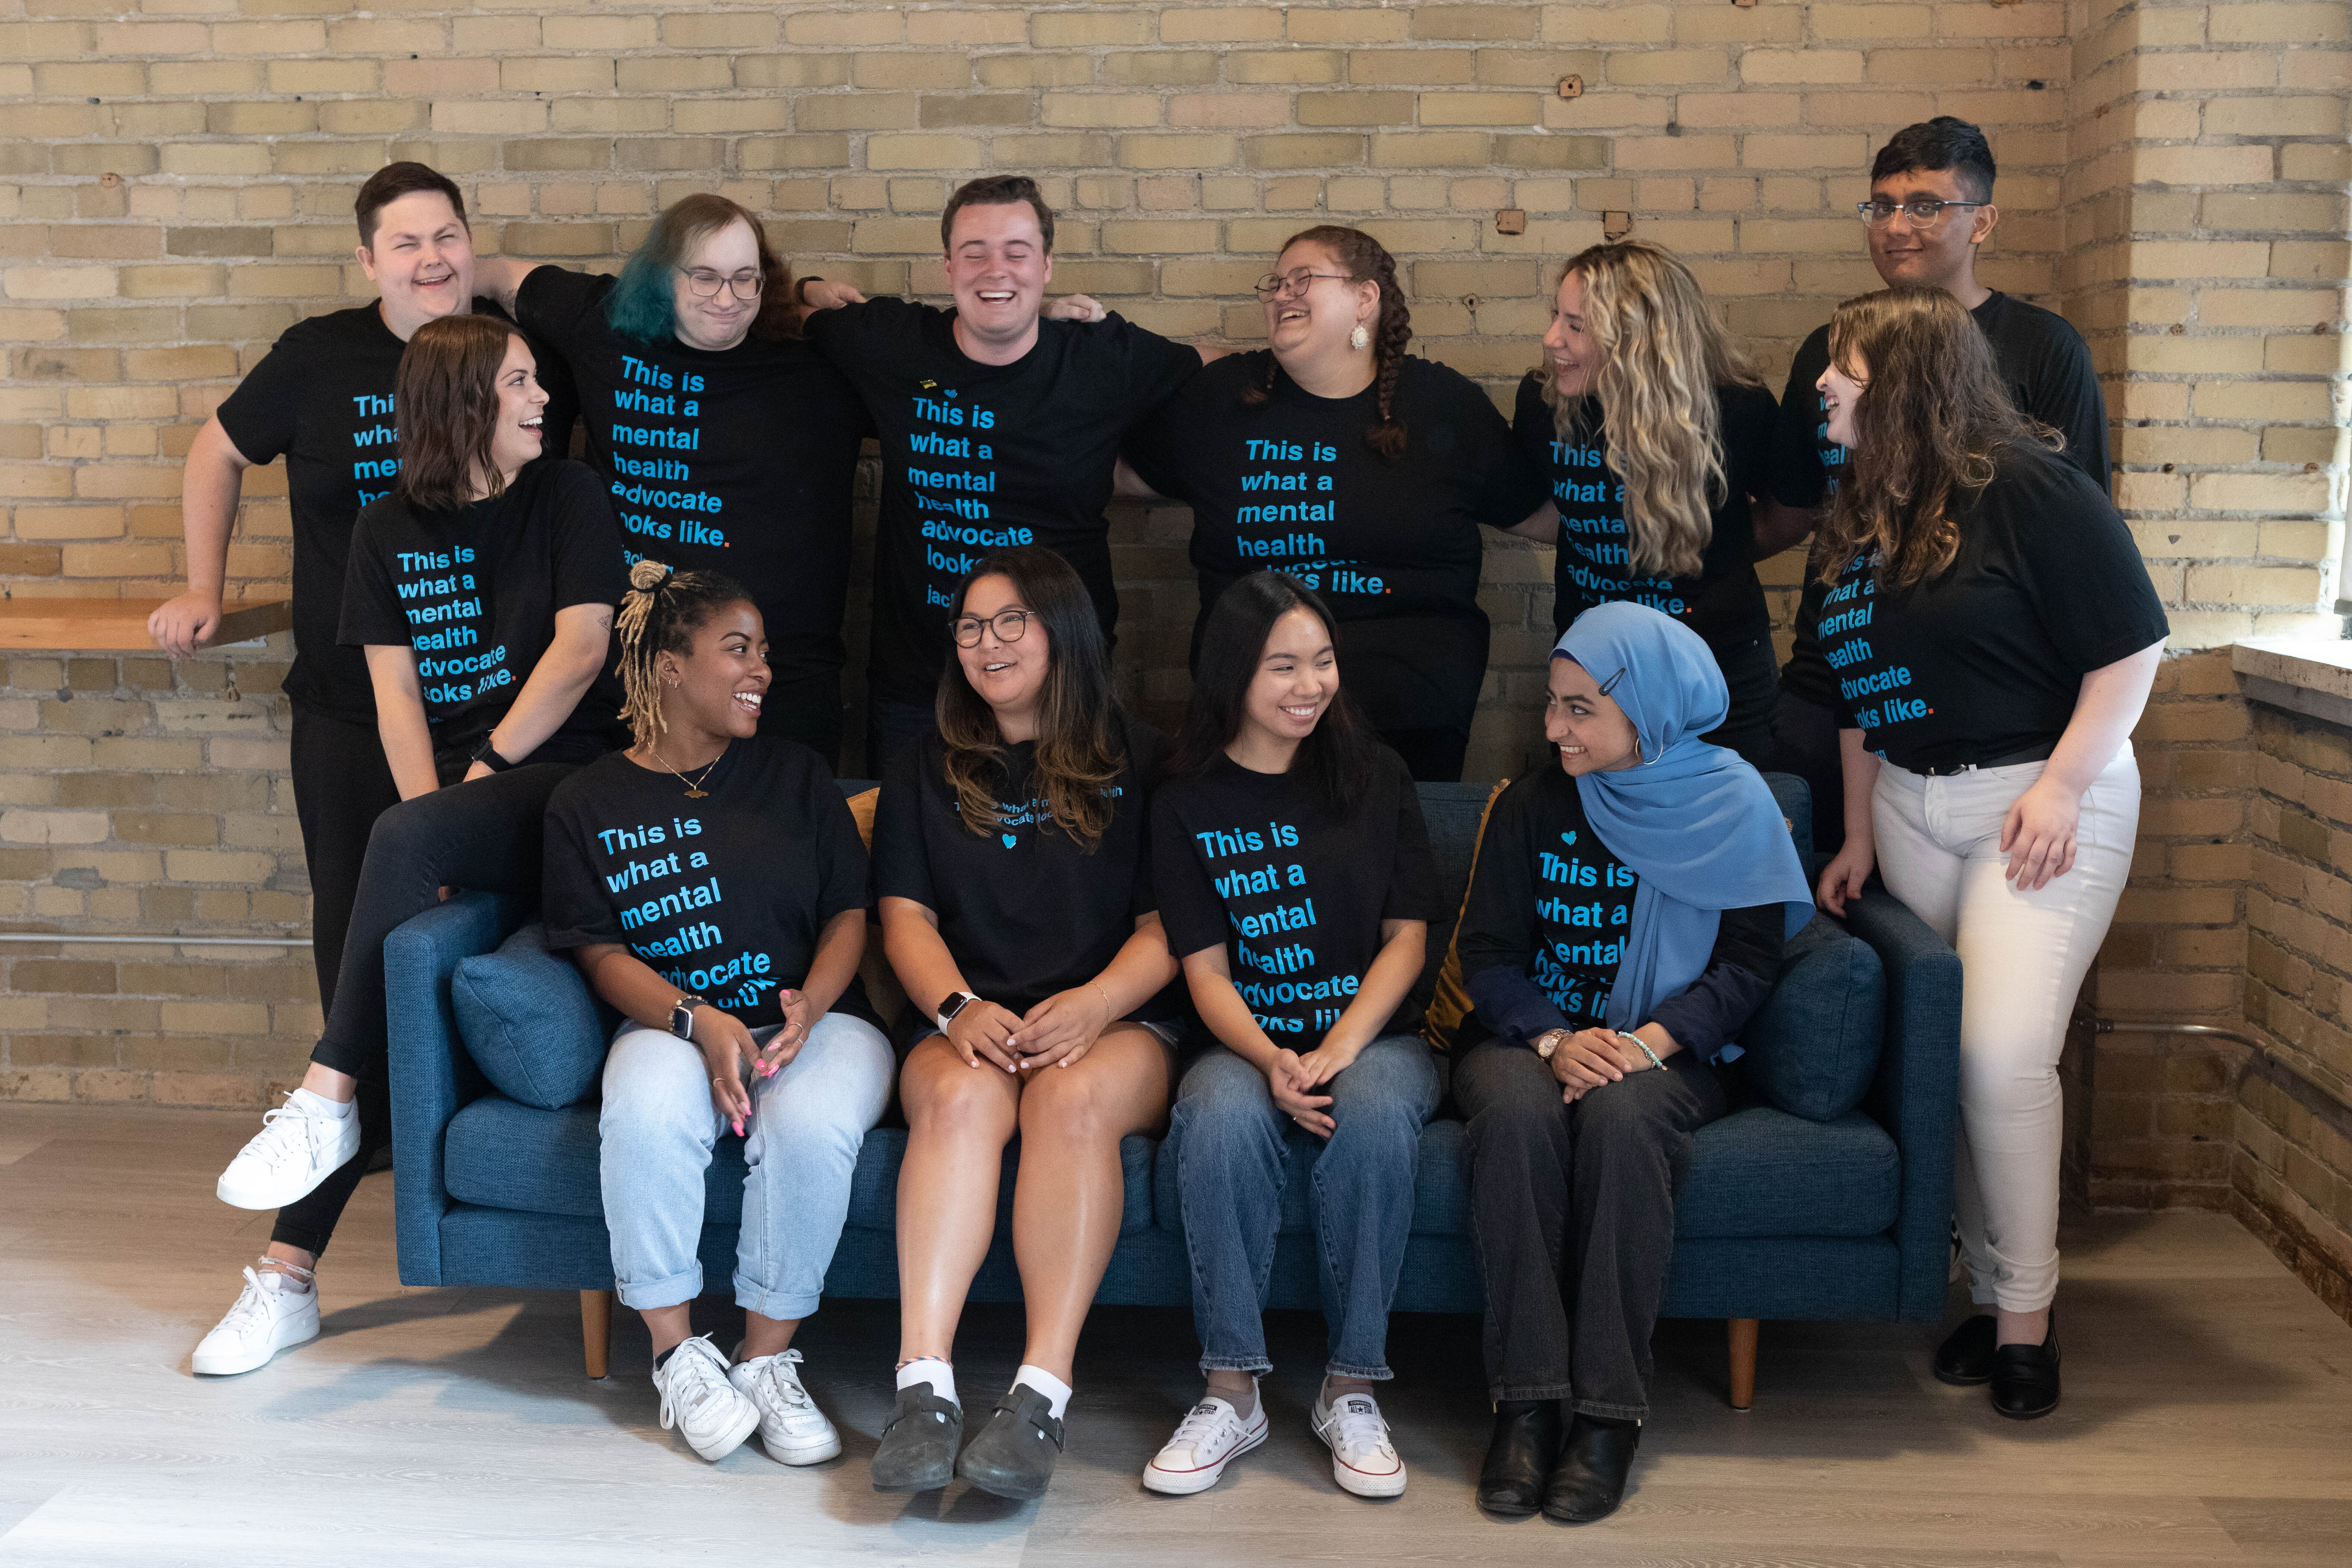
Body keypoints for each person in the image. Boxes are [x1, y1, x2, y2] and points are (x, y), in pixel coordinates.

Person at [152, 165, 580, 1364]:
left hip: (510, 733)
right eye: (406, 241)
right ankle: (292, 1263)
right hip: (360, 721)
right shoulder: (317, 359)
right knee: (362, 964)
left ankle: (326, 1186)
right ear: (368, 258)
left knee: (440, 974)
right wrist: (203, 587)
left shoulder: (520, 366)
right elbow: (216, 452)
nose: (431, 255)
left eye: (450, 236)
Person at [1810, 288, 2167, 1420]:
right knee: (1940, 1058)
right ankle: (1991, 1284)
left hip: (2039, 798)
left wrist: (2062, 785)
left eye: (1845, 370)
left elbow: (2132, 649)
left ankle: (2025, 1322)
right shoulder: (1864, 501)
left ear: (1906, 383)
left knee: (1999, 1057)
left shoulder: (2030, 487)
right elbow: (1858, 692)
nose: (1822, 386)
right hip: (1912, 806)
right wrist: (1862, 827)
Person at [1451, 602, 1813, 1523]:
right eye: (1552, 703)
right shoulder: (1532, 804)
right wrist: (1552, 1038)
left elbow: (1748, 965)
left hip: (1670, 1047)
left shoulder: (1735, 805)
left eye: (1579, 709)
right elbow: (1487, 954)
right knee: (1519, 1112)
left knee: (1622, 1117)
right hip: (1533, 1039)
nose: (1552, 727)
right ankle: (1527, 1405)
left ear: (1646, 710)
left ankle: (1607, 1416)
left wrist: (1647, 1043)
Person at [541, 562, 893, 1465]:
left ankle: (766, 1362)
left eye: (766, 652)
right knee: (648, 1111)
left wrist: (813, 1000)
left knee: (812, 1122)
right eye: (738, 649)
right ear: (667, 663)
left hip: (816, 1024)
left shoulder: (795, 773)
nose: (762, 670)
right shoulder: (587, 801)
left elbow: (849, 912)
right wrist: (698, 1020)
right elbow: (596, 949)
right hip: (671, 1021)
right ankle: (675, 1354)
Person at [867, 545, 1185, 1500]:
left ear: (1064, 632)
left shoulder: (1147, 756)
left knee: (1071, 1097)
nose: (987, 642)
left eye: (1012, 621)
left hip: (1115, 1022)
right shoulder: (925, 762)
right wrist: (959, 1007)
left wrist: (1093, 1004)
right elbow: (905, 919)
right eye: (970, 625)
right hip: (969, 1021)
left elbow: (1170, 928)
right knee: (961, 1104)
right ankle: (921, 1391)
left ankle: (1040, 1392)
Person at [1144, 571, 1440, 1501]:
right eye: (1283, 666)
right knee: (1221, 1116)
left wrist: (1343, 1044)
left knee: (1376, 1110)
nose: (1309, 684)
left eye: (1322, 661)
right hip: (1245, 1039)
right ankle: (1232, 1388)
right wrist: (1271, 1056)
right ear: (1233, 673)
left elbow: (1408, 938)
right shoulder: (1185, 798)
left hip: (1373, 1035)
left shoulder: (1375, 774)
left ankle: (1352, 1386)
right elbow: (1204, 970)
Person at [1766, 117, 2113, 849]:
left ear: (1982, 220)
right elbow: (1797, 511)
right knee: (1847, 925)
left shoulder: (2042, 350)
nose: (1896, 226)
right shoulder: (1826, 350)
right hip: (1840, 687)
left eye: (1925, 204)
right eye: (1881, 205)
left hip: (1984, 714)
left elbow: (2078, 545)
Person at [799, 175, 1209, 778]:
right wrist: (804, 284)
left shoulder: (1101, 357)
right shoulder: (893, 344)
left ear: (1046, 265)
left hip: (1064, 689)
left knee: (1070, 859)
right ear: (947, 266)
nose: (996, 269)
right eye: (975, 253)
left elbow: (1213, 375)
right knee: (916, 862)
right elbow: (787, 311)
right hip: (924, 692)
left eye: (1017, 253)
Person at [1118, 226, 1549, 783]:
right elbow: (1130, 475)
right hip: (1249, 708)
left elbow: (1536, 513)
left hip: (1410, 716)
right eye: (1275, 283)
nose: (1281, 294)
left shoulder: (1442, 407)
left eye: (1304, 279)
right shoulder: (1223, 399)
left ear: (1364, 299)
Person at [475, 194, 873, 769]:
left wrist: (805, 293)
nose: (727, 299)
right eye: (705, 277)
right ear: (663, 277)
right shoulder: (604, 325)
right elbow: (497, 275)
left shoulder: (813, 364)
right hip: (642, 681)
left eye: (745, 280)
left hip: (782, 686)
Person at [1509, 241, 1781, 765]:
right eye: (1555, 318)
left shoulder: (1736, 407)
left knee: (1721, 823)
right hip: (1591, 667)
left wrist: (1706, 551)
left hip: (1716, 664)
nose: (1551, 340)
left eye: (1576, 326)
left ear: (1637, 338)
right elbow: (1553, 512)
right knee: (1594, 834)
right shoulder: (1542, 402)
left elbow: (1784, 516)